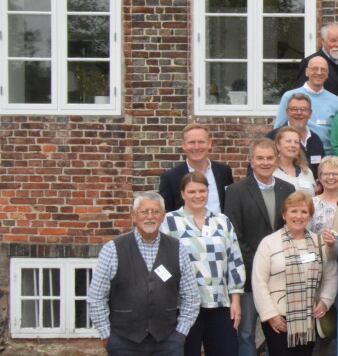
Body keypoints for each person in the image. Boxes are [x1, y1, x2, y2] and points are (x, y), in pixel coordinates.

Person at [87, 191, 200, 354]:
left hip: (167, 342)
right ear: (134, 215)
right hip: (124, 342)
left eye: (155, 211)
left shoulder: (178, 249)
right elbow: (96, 297)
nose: (150, 216)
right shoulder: (112, 249)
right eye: (144, 211)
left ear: (163, 216)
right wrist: (107, 336)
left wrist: (180, 333)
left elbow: (191, 297)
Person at [224, 138, 296, 356]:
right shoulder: (235, 191)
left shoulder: (288, 189)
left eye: (269, 158)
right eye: (260, 158)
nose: (265, 163)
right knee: (246, 332)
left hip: (281, 275)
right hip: (248, 275)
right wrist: (259, 266)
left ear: (276, 159)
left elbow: (292, 229)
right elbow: (235, 235)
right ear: (250, 161)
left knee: (280, 330)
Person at [162, 172, 245, 356]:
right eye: (192, 192)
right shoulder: (169, 222)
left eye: (202, 191)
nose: (198, 196)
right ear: (182, 194)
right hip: (183, 306)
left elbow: (235, 260)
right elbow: (160, 264)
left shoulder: (222, 221)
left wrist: (236, 300)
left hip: (220, 303)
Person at [252, 191, 338, 355]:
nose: (298, 216)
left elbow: (331, 274)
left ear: (310, 216)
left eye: (304, 212)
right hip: (278, 320)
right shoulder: (269, 243)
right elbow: (259, 281)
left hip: (308, 318)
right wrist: (270, 314)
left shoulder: (319, 242)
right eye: (293, 211)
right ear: (284, 215)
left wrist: (326, 301)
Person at [275, 55, 338, 155]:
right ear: (307, 72)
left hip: (327, 157)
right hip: (296, 154)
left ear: (327, 74)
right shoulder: (289, 96)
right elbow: (279, 128)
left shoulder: (335, 100)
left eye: (323, 70)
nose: (319, 73)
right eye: (315, 69)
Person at [159, 123, 234, 213]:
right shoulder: (170, 177)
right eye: (191, 142)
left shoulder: (224, 172)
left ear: (209, 144)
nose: (196, 147)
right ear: (183, 145)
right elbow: (166, 212)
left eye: (201, 142)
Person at [267, 93, 326, 178]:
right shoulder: (273, 137)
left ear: (310, 113)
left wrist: (320, 184)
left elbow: (321, 168)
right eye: (294, 109)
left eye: (303, 109)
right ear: (287, 112)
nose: (299, 113)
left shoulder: (315, 139)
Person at [294, 23, 338, 100]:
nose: (337, 45)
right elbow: (300, 95)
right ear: (322, 41)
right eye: (333, 41)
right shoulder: (309, 62)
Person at [307, 156, 338, 235]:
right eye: (326, 174)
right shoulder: (311, 203)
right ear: (319, 177)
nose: (330, 177)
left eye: (335, 174)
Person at [273, 126, 317, 195]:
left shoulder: (306, 171)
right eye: (288, 141)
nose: (293, 145)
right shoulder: (272, 172)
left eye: (296, 142)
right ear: (278, 145)